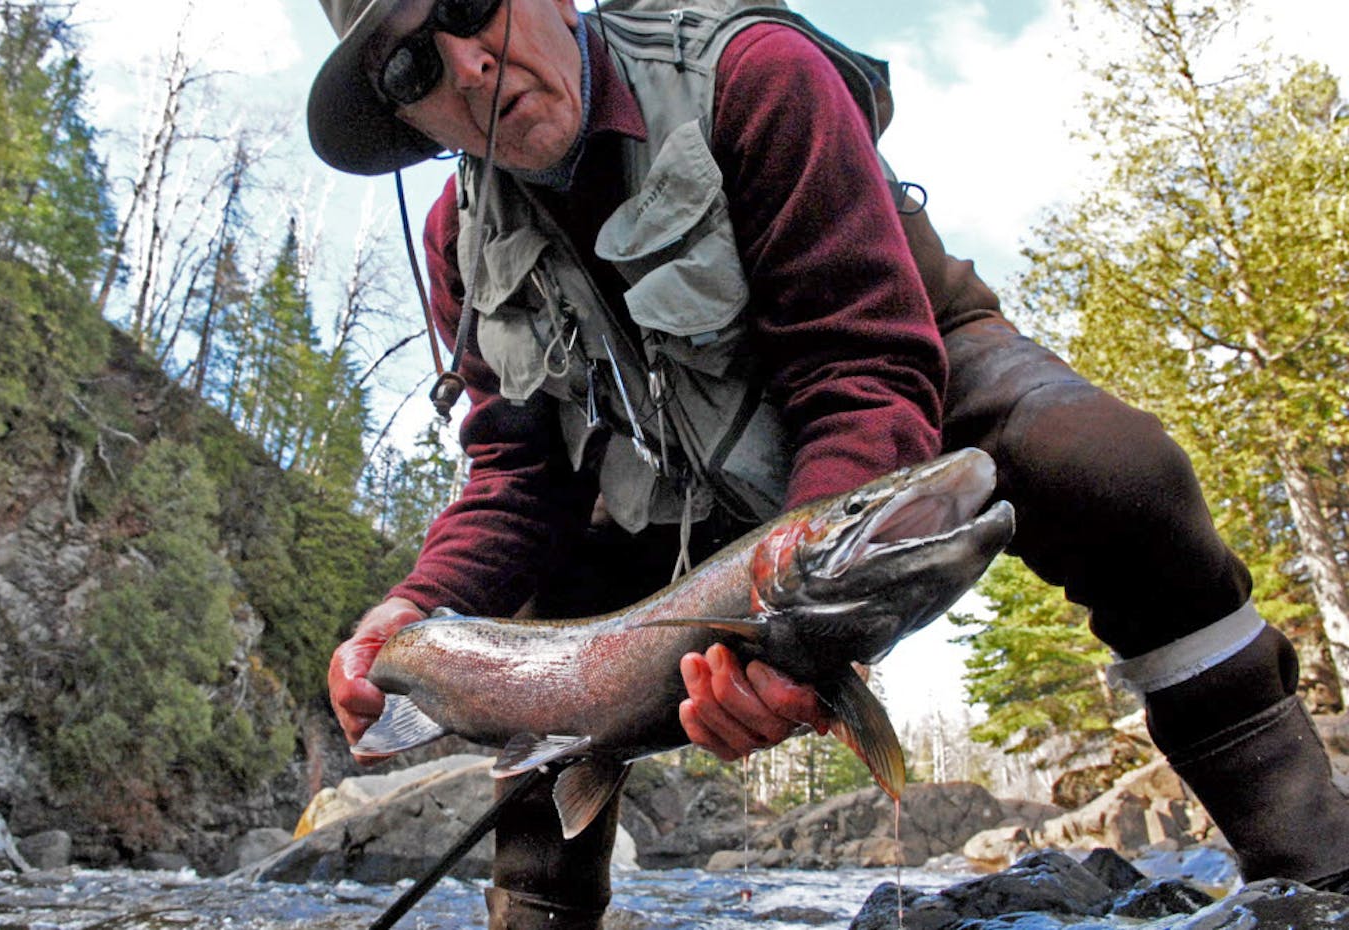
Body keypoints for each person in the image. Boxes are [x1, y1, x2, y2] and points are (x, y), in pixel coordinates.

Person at [307, 1, 1349, 926]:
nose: (467, 64)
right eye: (411, 67)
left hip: (904, 366)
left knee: (1102, 461)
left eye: (467, 4)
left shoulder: (752, 71)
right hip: (676, 483)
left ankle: (1312, 867)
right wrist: (413, 610)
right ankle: (534, 911)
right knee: (536, 637)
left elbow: (863, 372)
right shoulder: (458, 240)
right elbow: (515, 481)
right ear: (403, 118)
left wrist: (792, 638)